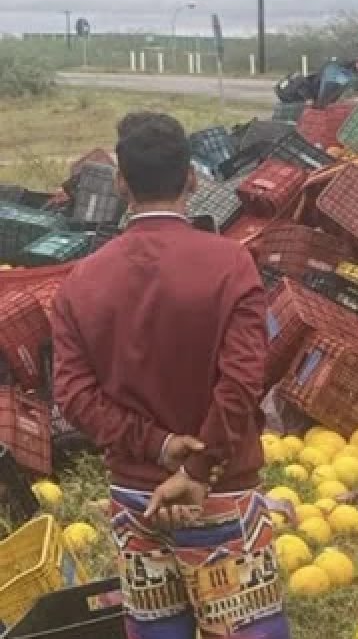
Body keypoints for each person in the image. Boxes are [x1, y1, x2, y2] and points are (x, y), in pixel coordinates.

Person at [51, 112, 290, 639]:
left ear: (121, 184)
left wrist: (159, 447)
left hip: (137, 498)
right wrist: (199, 468)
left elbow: (73, 394)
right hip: (221, 492)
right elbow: (242, 381)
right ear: (192, 179)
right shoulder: (231, 266)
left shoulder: (81, 283)